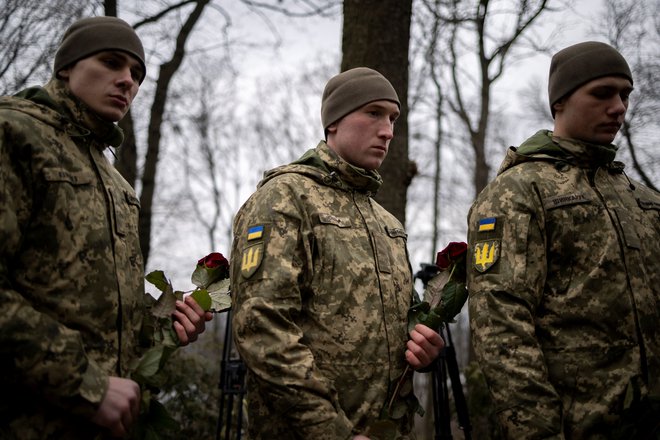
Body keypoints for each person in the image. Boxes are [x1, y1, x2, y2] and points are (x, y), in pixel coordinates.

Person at [0, 17, 212, 439]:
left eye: (136, 74)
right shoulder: (14, 133)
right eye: (111, 63)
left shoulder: (115, 181)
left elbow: (111, 321)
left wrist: (167, 322)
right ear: (67, 67)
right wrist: (88, 385)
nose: (126, 82)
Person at [230, 67, 445, 439]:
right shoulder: (286, 198)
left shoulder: (387, 223)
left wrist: (422, 348)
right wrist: (333, 432)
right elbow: (262, 327)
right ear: (333, 122)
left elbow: (398, 330)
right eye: (374, 113)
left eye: (393, 118)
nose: (388, 131)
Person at [467, 41, 660, 439]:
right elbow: (501, 326)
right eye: (602, 93)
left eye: (625, 94)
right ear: (560, 102)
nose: (619, 106)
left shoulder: (645, 199)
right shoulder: (519, 191)